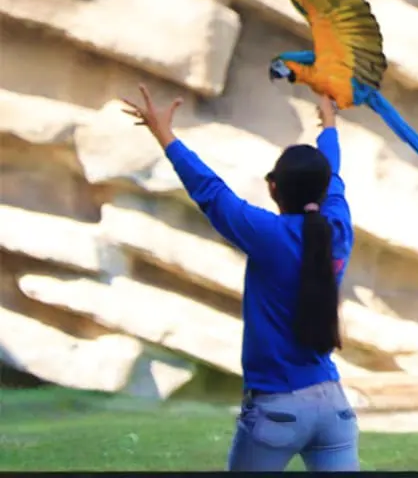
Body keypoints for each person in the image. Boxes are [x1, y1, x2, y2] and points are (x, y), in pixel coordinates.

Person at [120, 85, 360, 472]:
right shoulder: (339, 228)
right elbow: (332, 172)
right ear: (323, 189)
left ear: (273, 188)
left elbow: (210, 192)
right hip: (334, 408)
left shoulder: (269, 236)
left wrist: (164, 135)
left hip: (277, 409)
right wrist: (329, 124)